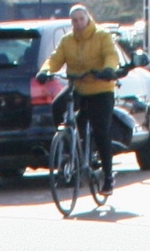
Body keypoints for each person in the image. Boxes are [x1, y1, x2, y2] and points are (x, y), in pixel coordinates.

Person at [40, 6, 124, 193]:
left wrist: (109, 69)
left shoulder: (101, 36)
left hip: (101, 89)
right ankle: (68, 144)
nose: (78, 23)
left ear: (88, 18)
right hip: (78, 86)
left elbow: (111, 55)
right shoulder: (67, 40)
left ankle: (108, 176)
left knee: (101, 130)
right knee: (57, 106)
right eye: (74, 20)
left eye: (81, 19)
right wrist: (45, 71)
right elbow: (55, 58)